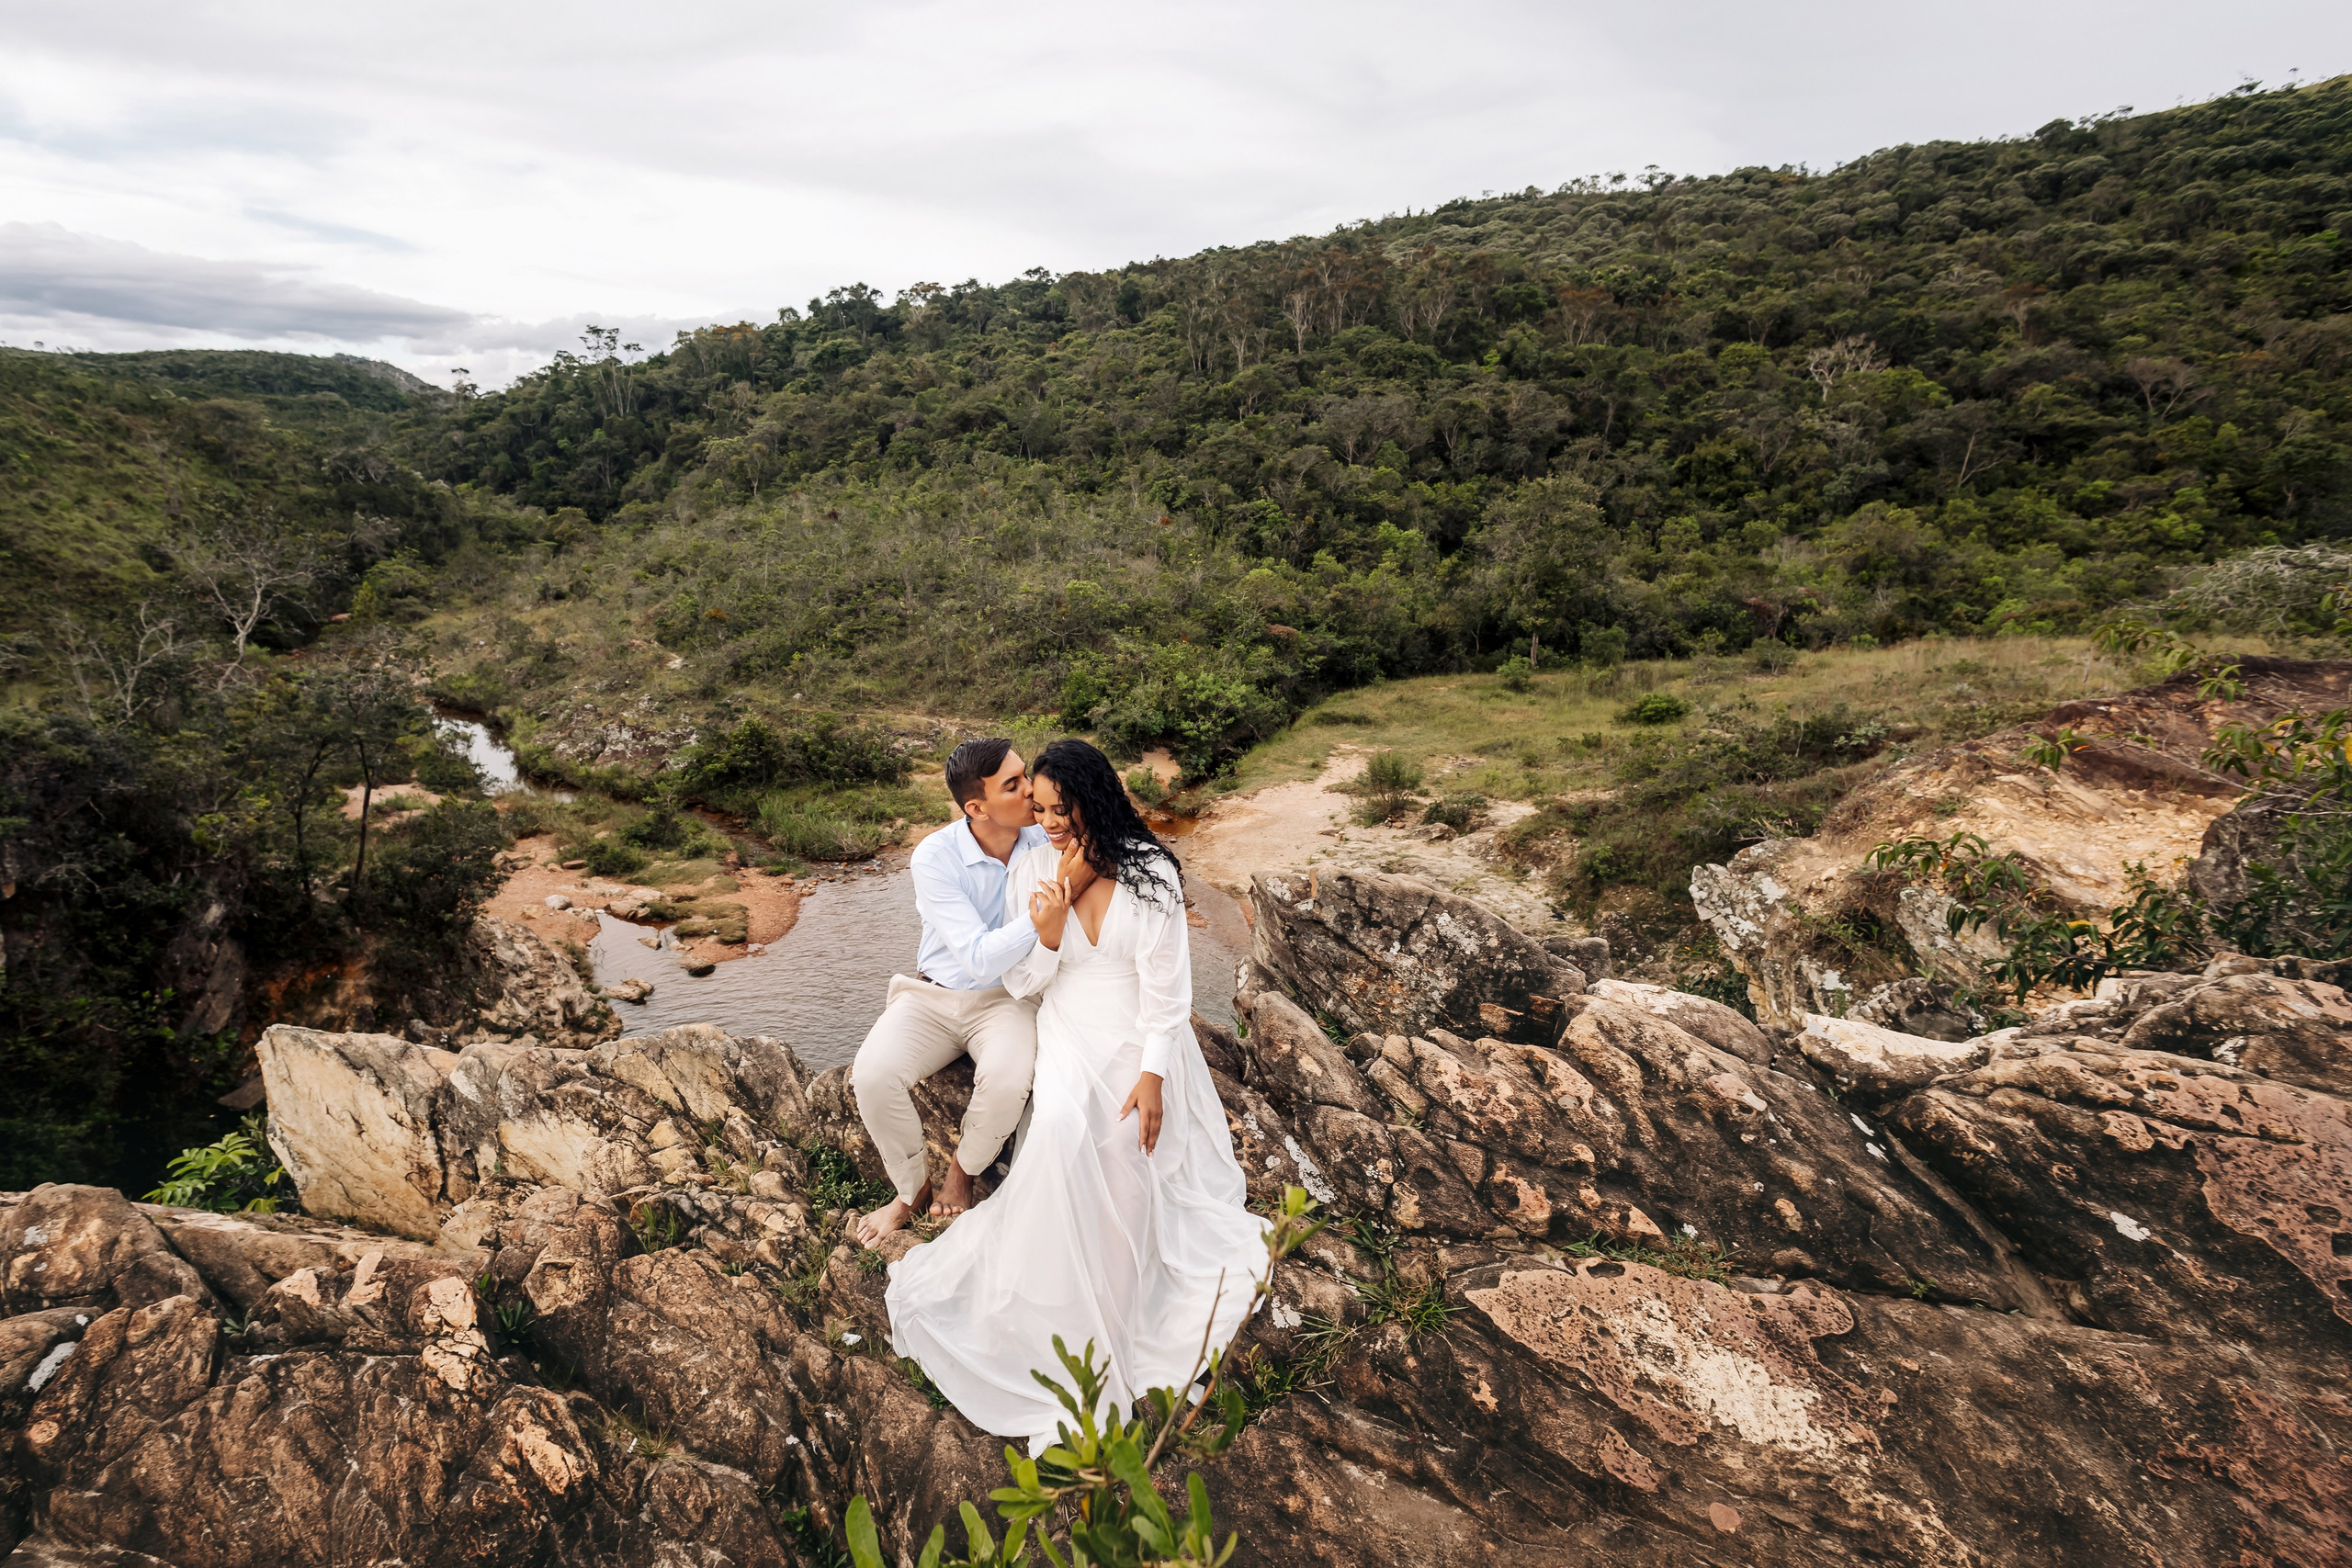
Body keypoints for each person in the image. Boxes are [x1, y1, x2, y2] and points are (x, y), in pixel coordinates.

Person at [885, 738, 1267, 1456]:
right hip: (1068, 1025)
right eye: (1040, 806)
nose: (1047, 821)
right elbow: (1026, 985)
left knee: (1127, 1143)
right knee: (1060, 1126)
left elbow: (1167, 987)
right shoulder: (1033, 863)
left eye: (1060, 809)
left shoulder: (1151, 869)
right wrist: (1050, 933)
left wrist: (1153, 1073)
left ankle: (1119, 1318)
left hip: (1138, 1031)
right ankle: (1064, 1309)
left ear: (1093, 799)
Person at [851, 738, 1080, 1245]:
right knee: (871, 1074)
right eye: (1014, 784)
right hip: (930, 996)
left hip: (1009, 999)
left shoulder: (1048, 840)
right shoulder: (934, 855)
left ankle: (963, 1171)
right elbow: (976, 955)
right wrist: (1040, 920)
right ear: (976, 807)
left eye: (1026, 775)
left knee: (1006, 1077)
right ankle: (910, 1190)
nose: (1031, 791)